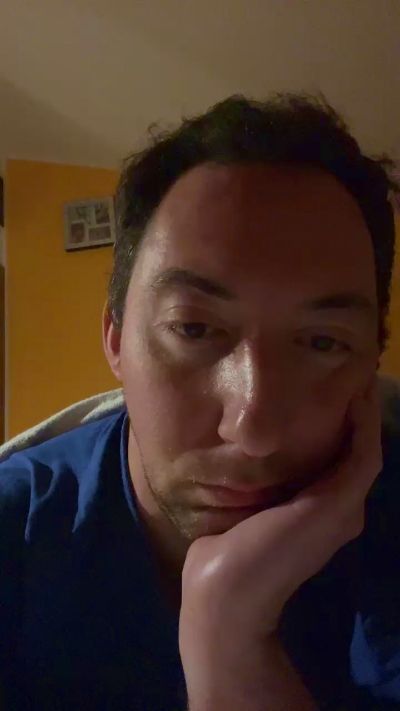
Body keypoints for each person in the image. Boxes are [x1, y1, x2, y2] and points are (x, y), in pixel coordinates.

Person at [1, 93, 400, 711]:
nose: (253, 427)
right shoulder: (15, 530)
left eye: (323, 343)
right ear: (115, 338)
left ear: (372, 360)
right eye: (193, 328)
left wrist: (229, 636)